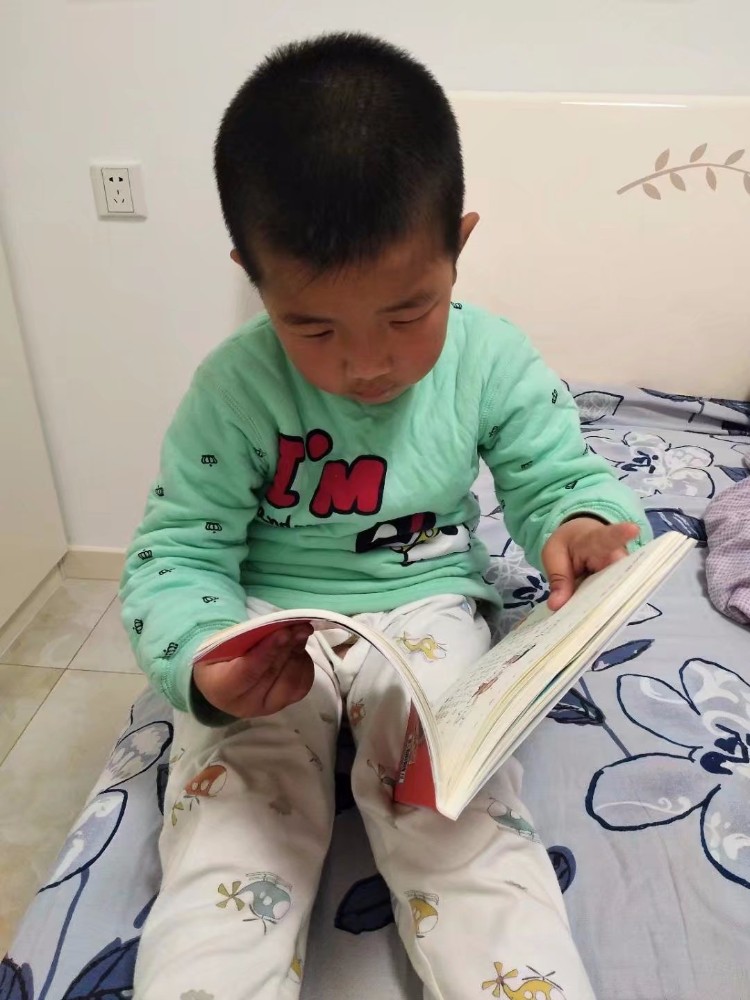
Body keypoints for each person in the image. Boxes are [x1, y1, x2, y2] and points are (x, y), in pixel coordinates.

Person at [121, 32, 649, 1000]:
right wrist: (203, 658)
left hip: (427, 608)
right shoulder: (232, 389)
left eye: (409, 314)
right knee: (231, 832)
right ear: (252, 273)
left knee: (461, 824)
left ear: (460, 246)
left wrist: (579, 523)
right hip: (269, 626)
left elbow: (553, 472)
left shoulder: (492, 359)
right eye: (312, 325)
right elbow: (178, 550)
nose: (366, 364)